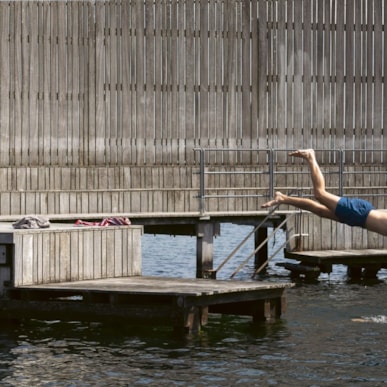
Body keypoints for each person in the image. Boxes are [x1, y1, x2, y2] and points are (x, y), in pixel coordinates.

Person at [261, 149, 387, 237]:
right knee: (320, 194)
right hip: (358, 213)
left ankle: (283, 198)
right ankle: (310, 157)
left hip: (359, 218)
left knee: (318, 210)